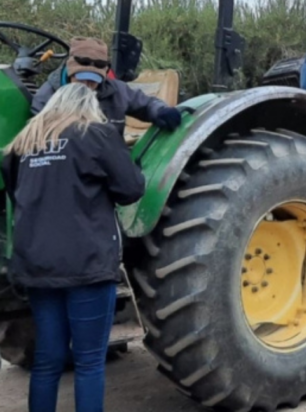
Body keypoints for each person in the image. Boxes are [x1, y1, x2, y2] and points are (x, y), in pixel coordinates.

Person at [1, 83, 145, 412]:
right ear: (88, 107)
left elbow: (16, 194)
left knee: (48, 361)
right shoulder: (96, 135)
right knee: (89, 361)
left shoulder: (23, 145)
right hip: (87, 264)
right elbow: (131, 189)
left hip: (37, 265)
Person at [32, 36, 181, 135]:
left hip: (110, 159)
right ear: (70, 70)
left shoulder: (116, 90)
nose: (87, 85)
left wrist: (160, 111)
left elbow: (145, 104)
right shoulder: (46, 97)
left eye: (93, 80)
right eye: (82, 78)